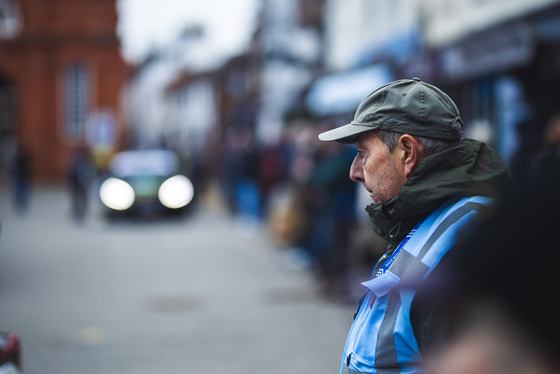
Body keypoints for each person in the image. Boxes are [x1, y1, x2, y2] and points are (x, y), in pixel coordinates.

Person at [317, 77, 510, 374]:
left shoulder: (465, 239)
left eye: (362, 153)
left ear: (407, 152)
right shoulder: (424, 220)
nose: (354, 172)